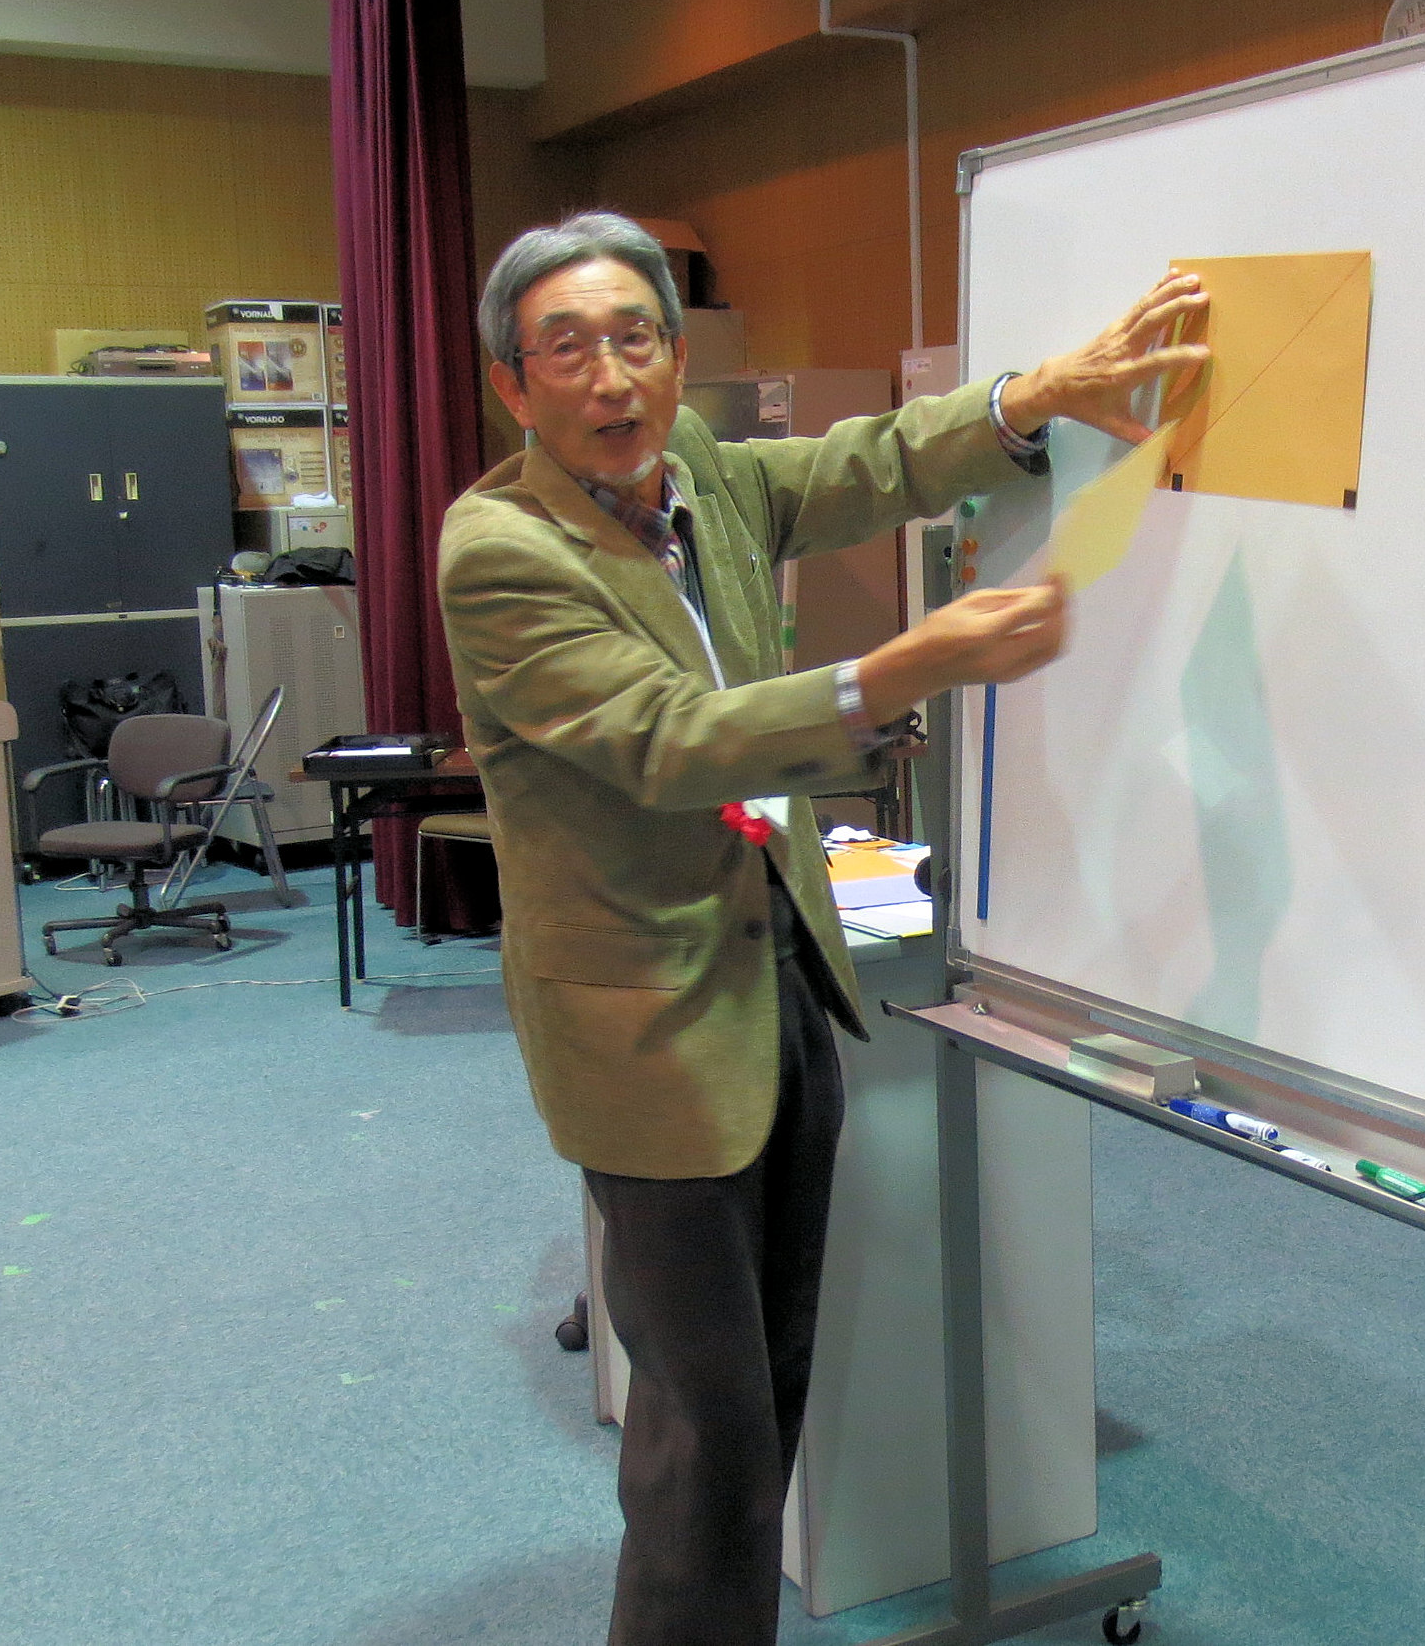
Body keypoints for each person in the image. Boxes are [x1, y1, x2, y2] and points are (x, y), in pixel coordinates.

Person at [436, 210, 1204, 1646]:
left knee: (772, 1379)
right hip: (645, 1032)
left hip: (781, 973)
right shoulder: (500, 550)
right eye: (565, 348)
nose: (609, 377)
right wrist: (898, 669)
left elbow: (868, 464)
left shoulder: (696, 476)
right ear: (511, 385)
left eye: (634, 338)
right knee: (708, 1429)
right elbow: (665, 739)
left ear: (676, 358)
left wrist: (1030, 396)